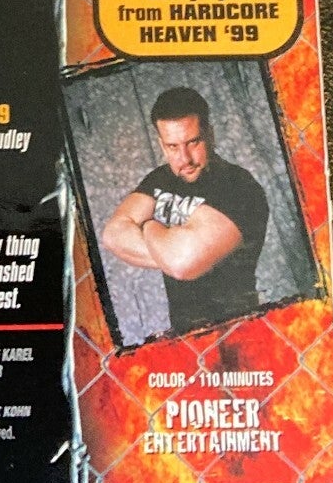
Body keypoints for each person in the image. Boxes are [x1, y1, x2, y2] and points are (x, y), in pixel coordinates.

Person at [100, 86, 269, 334]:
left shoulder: (240, 186)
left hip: (238, 329)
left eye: (193, 142)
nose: (185, 158)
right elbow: (113, 236)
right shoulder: (160, 179)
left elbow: (182, 264)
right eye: (172, 147)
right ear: (161, 145)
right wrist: (169, 249)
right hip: (183, 335)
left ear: (209, 134)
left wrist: (148, 224)